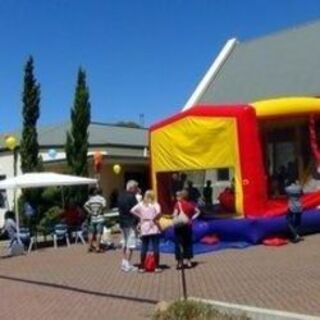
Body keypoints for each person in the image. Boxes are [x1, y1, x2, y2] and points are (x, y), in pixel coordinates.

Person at [131, 190, 162, 273]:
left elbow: (132, 210)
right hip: (153, 225)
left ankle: (142, 266)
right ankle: (157, 266)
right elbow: (159, 213)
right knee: (155, 246)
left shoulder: (141, 204)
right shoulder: (155, 204)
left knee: (144, 246)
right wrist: (154, 218)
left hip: (144, 225)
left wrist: (140, 216)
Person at [173, 190, 200, 269]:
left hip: (179, 226)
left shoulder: (178, 204)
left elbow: (174, 214)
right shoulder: (190, 204)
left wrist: (174, 219)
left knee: (179, 243)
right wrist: (192, 218)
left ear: (181, 196)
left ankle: (179, 262)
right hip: (188, 225)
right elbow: (198, 211)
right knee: (188, 243)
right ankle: (189, 262)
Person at [118, 180, 139, 272]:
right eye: (135, 188)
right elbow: (136, 210)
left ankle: (124, 262)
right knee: (130, 244)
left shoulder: (120, 196)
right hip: (130, 223)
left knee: (124, 243)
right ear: (131, 188)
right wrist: (138, 221)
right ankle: (127, 264)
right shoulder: (132, 197)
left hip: (122, 222)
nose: (136, 190)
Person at [84, 187, 106, 253]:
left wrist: (90, 211)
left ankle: (89, 247)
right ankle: (97, 247)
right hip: (100, 218)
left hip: (92, 218)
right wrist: (100, 210)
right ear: (101, 193)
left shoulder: (91, 199)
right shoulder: (102, 199)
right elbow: (104, 206)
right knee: (99, 233)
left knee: (91, 233)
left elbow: (85, 205)